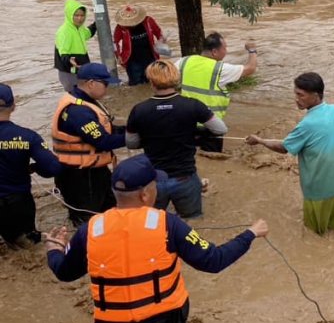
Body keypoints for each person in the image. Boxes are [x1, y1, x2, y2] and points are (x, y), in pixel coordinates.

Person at [44, 154, 269, 323]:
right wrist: (250, 234)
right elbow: (214, 261)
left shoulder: (89, 230)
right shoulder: (168, 224)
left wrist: (54, 249)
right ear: (145, 194)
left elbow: (64, 272)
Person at [245, 72, 334, 234]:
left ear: (316, 95)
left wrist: (260, 140)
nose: (296, 99)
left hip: (318, 190)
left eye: (301, 95)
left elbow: (284, 148)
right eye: (295, 94)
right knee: (333, 230)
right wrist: (330, 142)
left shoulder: (307, 124)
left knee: (314, 234)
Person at [126, 60, 227, 219]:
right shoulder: (193, 106)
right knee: (192, 224)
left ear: (151, 82)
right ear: (176, 80)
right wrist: (195, 132)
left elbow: (131, 143)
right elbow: (221, 129)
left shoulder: (139, 110)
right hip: (185, 178)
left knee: (152, 223)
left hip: (153, 181)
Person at [52, 63, 125, 226]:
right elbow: (103, 141)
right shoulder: (79, 112)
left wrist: (130, 128)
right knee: (89, 222)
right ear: (91, 83)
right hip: (81, 177)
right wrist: (134, 138)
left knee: (111, 212)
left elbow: (106, 129)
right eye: (105, 84)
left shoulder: (85, 101)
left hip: (93, 171)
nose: (107, 88)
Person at [0, 84, 62, 248]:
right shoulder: (27, 137)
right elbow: (53, 168)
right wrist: (35, 168)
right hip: (16, 202)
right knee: (25, 244)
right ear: (13, 106)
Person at [176, 32, 257, 153]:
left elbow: (165, 77)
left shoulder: (184, 62)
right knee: (213, 159)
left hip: (185, 123)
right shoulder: (220, 69)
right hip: (210, 125)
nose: (226, 51)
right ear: (214, 51)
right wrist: (252, 50)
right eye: (225, 48)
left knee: (188, 156)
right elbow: (250, 68)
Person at [113, 4, 166, 86]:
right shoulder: (121, 27)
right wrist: (118, 55)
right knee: (135, 84)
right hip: (132, 61)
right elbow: (115, 42)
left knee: (153, 81)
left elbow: (158, 32)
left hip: (150, 57)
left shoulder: (148, 21)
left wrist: (161, 41)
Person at [54, 0, 97, 92]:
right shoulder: (64, 32)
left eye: (82, 15)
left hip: (80, 66)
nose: (80, 18)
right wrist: (69, 60)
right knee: (74, 93)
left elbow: (88, 33)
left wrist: (97, 24)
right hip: (68, 70)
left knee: (83, 91)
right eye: (76, 15)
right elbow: (63, 53)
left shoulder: (80, 28)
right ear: (70, 15)